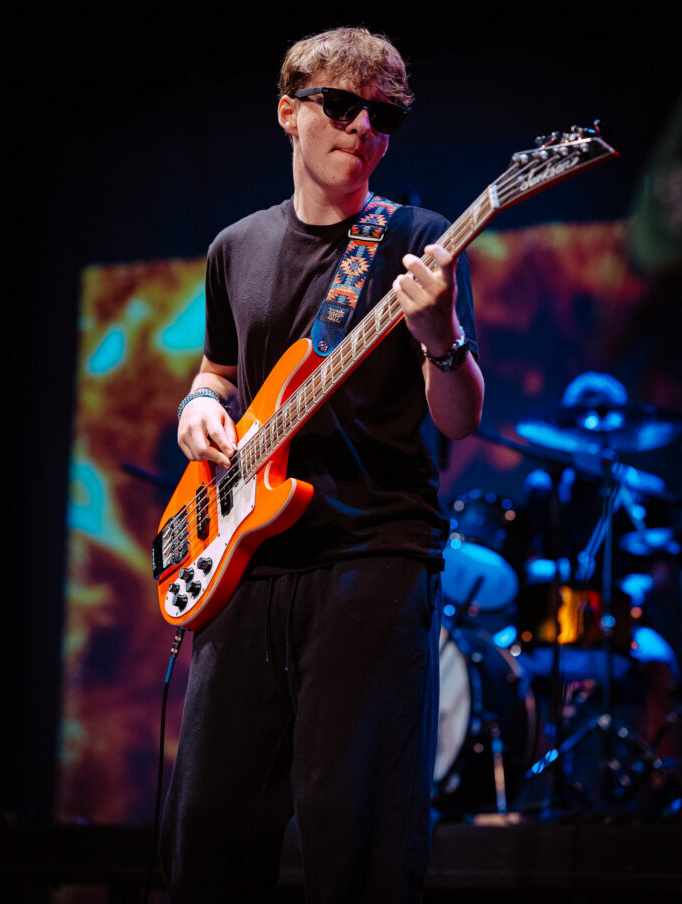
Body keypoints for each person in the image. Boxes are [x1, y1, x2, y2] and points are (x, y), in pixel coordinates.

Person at [159, 26, 484, 902]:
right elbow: (219, 372)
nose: (362, 128)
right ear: (288, 113)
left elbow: (458, 420)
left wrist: (439, 335)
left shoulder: (418, 240)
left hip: (373, 554)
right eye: (341, 106)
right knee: (212, 838)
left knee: (356, 837)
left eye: (383, 116)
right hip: (248, 556)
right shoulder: (237, 246)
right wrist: (197, 408)